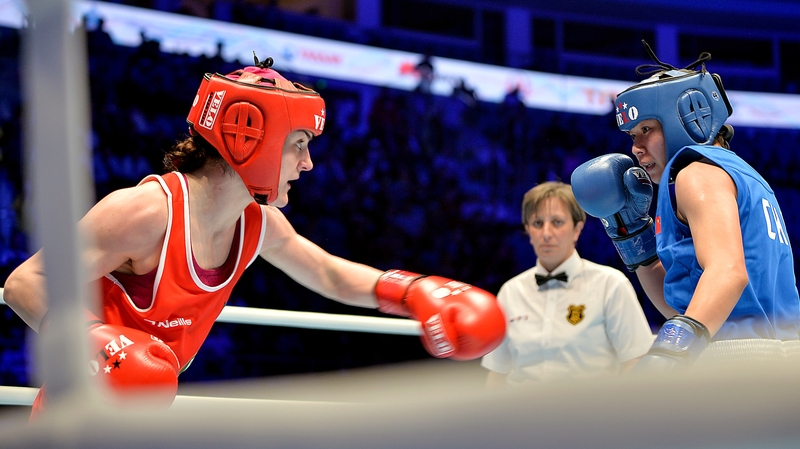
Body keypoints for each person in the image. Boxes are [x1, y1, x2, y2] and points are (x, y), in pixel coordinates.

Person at [2, 55, 507, 417]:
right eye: (299, 144)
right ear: (251, 138)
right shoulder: (146, 212)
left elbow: (328, 273)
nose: (308, 164)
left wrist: (412, 291)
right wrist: (96, 342)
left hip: (143, 412)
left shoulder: (257, 223)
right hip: (75, 416)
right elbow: (26, 281)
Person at [571, 41, 800, 370]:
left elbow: (727, 273)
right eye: (633, 135)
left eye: (646, 129)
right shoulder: (744, 175)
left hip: (738, 359)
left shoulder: (696, 174)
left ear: (686, 117)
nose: (636, 147)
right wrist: (634, 238)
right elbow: (693, 307)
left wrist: (671, 351)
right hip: (774, 358)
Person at [481, 182, 653, 388]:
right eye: (537, 223)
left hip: (592, 407)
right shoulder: (510, 292)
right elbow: (497, 374)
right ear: (527, 230)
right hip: (521, 408)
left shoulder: (611, 285)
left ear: (577, 229)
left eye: (557, 222)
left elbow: (634, 362)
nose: (546, 233)